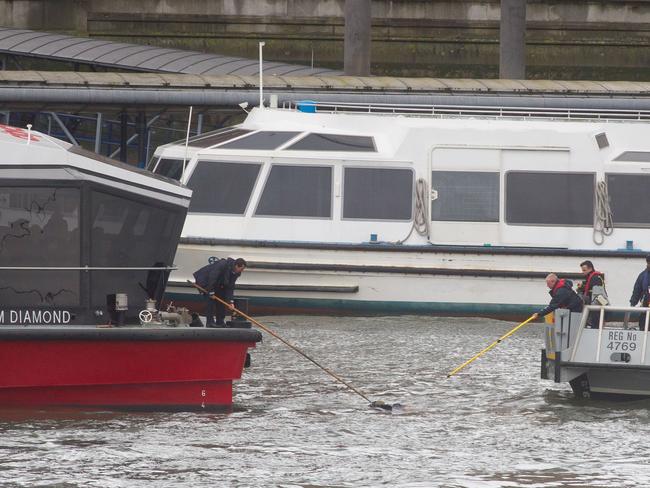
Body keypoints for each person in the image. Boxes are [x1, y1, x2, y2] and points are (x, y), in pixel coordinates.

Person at [193, 257, 247, 327]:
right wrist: (211, 292)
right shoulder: (222, 264)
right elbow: (212, 277)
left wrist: (230, 301)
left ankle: (220, 321)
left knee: (222, 299)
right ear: (236, 266)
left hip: (218, 284)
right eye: (241, 269)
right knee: (210, 301)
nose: (241, 271)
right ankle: (210, 323)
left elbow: (230, 287)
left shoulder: (236, 273)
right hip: (206, 280)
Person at [629, 255, 650, 330]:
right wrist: (632, 303)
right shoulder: (642, 276)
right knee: (644, 326)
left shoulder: (643, 275)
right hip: (645, 307)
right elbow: (637, 290)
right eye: (648, 262)